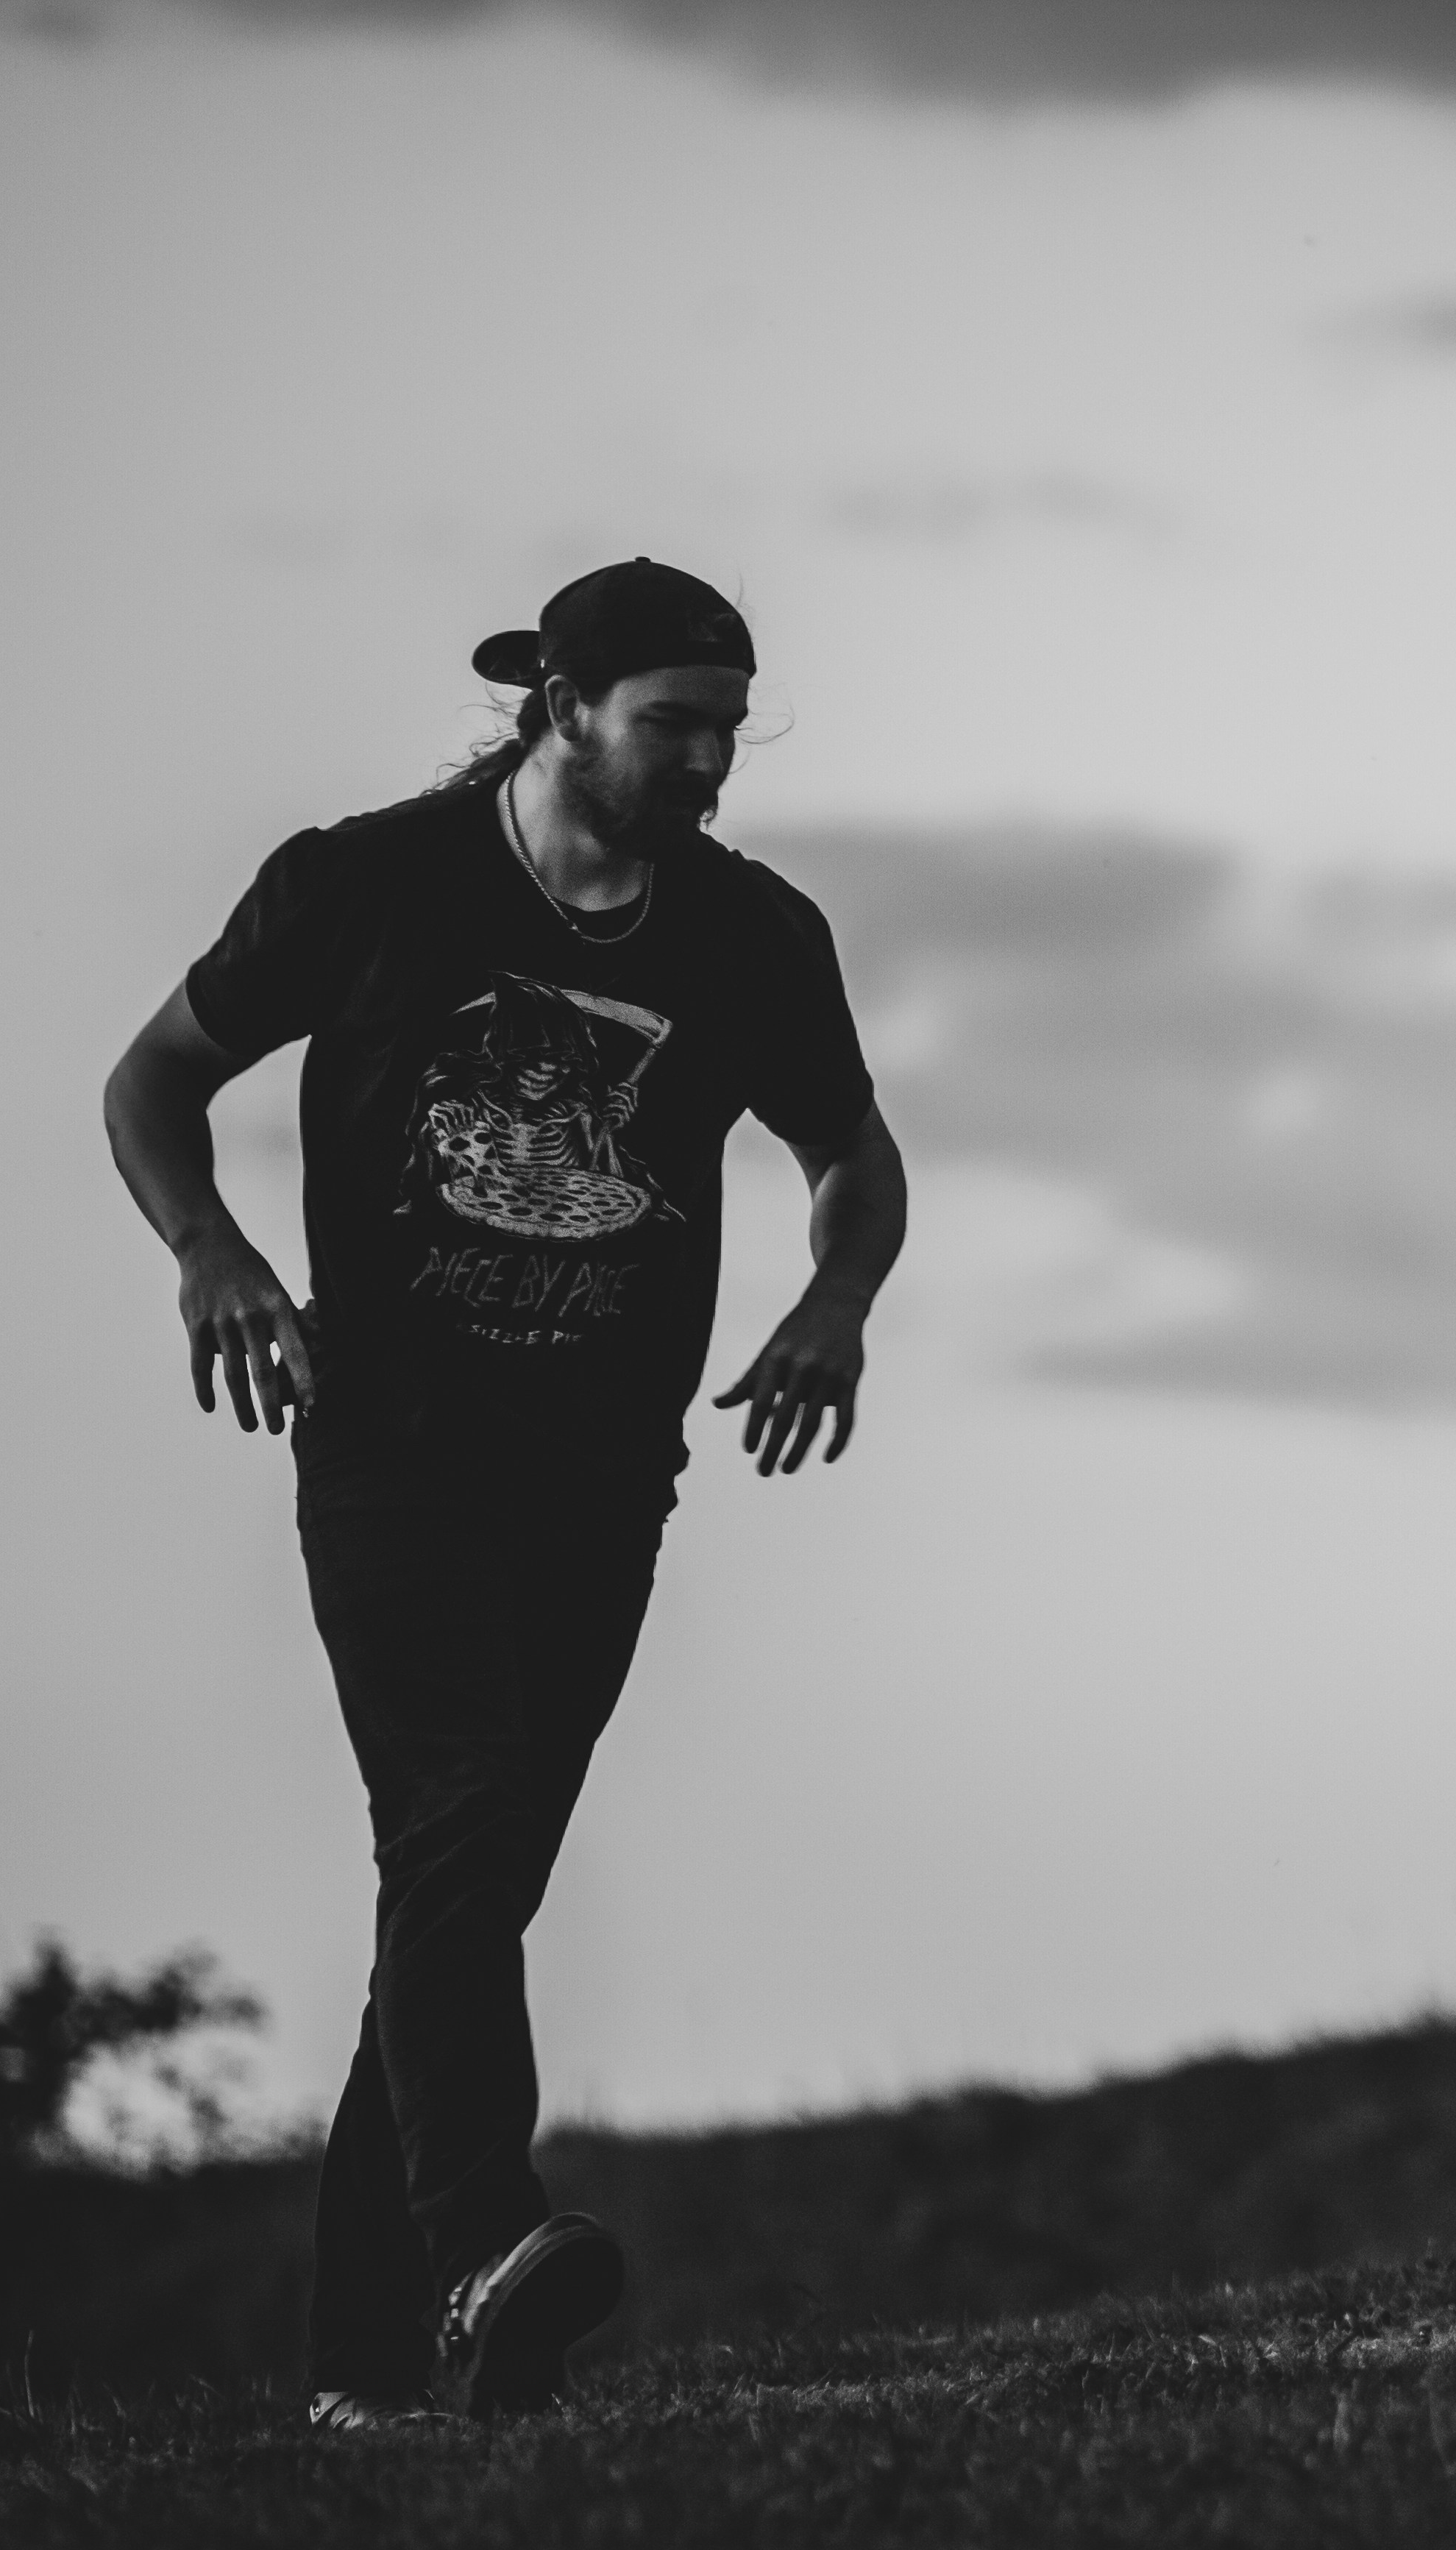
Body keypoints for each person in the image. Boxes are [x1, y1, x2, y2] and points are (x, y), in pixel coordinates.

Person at [102, 561, 907, 2418]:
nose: (709, 760)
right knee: (456, 1824)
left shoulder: (753, 935)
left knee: (467, 1896)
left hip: (606, 1481)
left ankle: (366, 2376)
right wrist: (208, 1252)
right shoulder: (367, 882)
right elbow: (156, 1078)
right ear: (562, 703)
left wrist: (836, 1302)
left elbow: (852, 1158)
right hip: (395, 1462)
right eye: (672, 725)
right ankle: (483, 2244)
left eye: (728, 727)